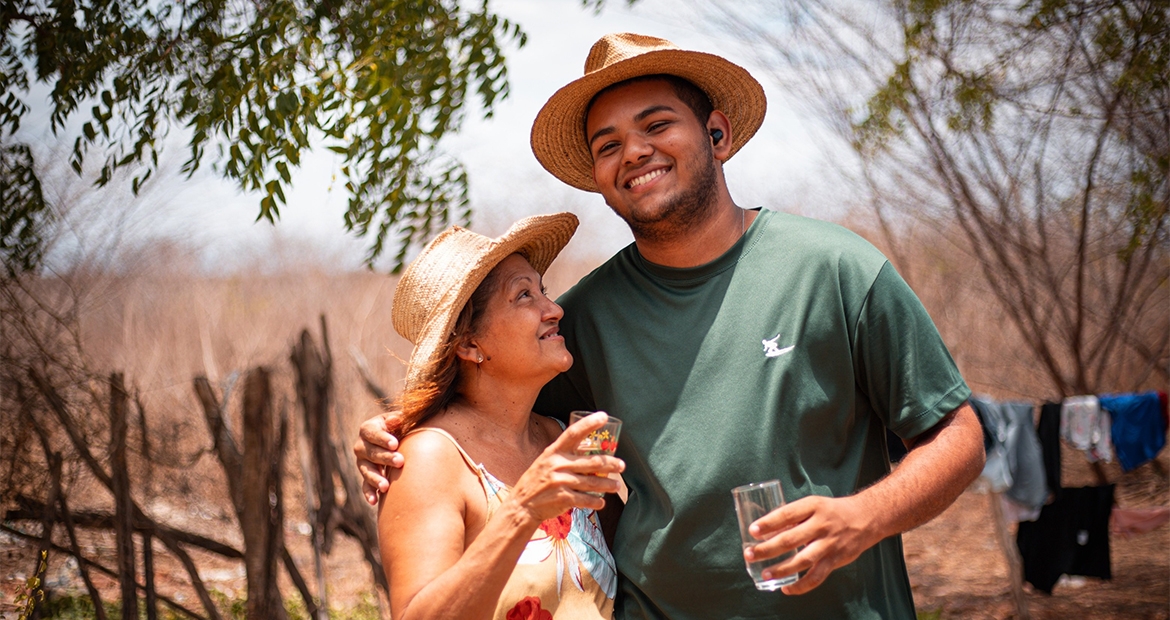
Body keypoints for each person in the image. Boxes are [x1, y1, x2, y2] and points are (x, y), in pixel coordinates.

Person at [357, 33, 985, 619]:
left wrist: (863, 518)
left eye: (657, 125)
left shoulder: (835, 269)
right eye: (608, 145)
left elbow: (958, 437)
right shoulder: (584, 319)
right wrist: (391, 437)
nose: (633, 152)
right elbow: (487, 417)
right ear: (599, 178)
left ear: (718, 134)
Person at [376, 212, 625, 620]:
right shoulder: (431, 460)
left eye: (543, 291)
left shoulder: (562, 437)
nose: (554, 309)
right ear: (470, 344)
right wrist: (523, 509)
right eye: (524, 296)